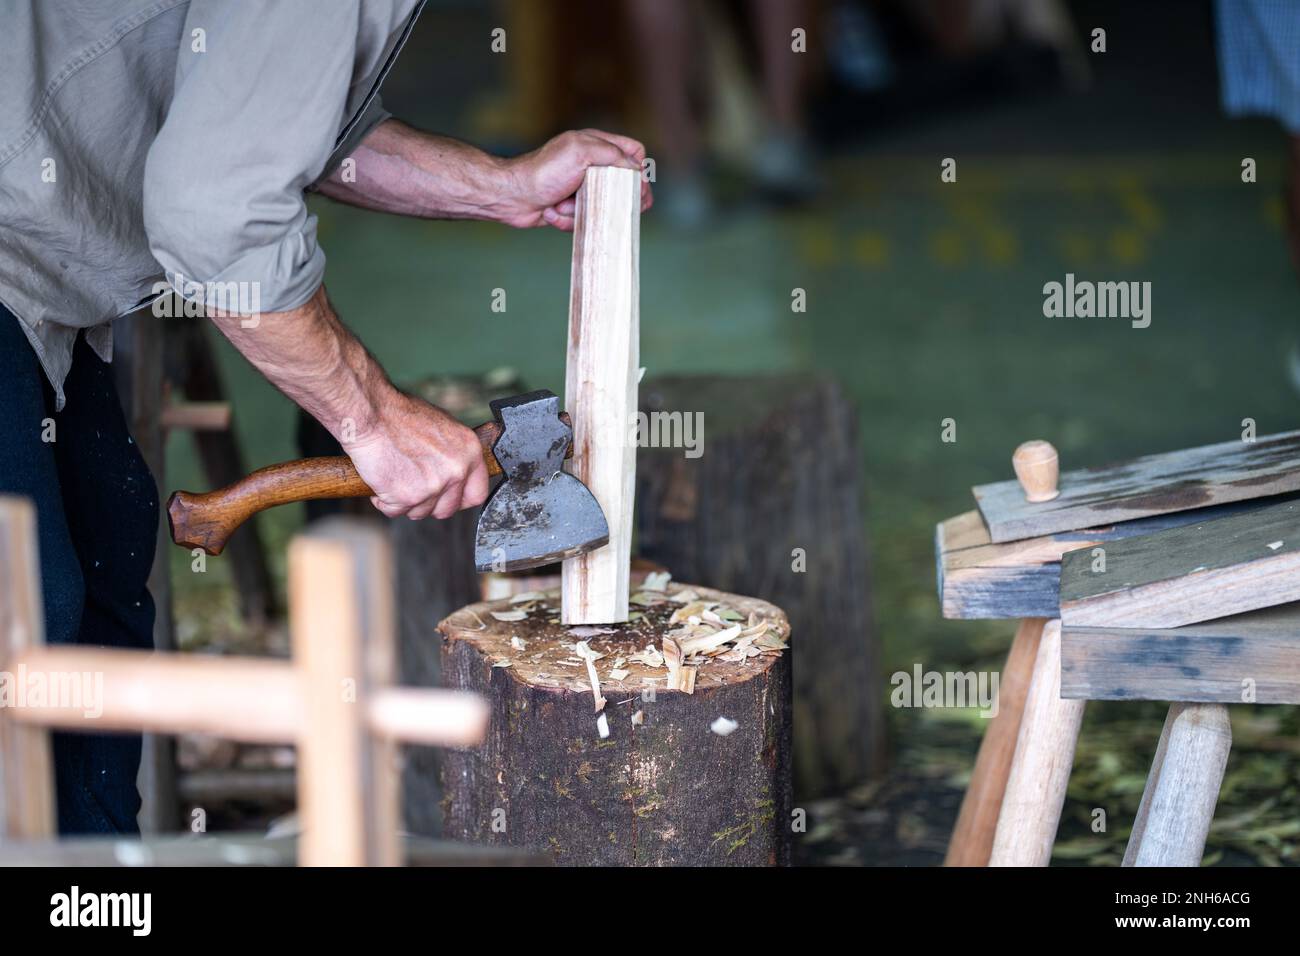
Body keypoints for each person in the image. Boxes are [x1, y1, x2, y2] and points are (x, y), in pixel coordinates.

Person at [0, 0, 651, 835]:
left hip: (38, 281)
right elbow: (216, 212)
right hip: (21, 254)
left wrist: (498, 187)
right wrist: (375, 422)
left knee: (97, 607)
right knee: (31, 622)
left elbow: (277, 126)